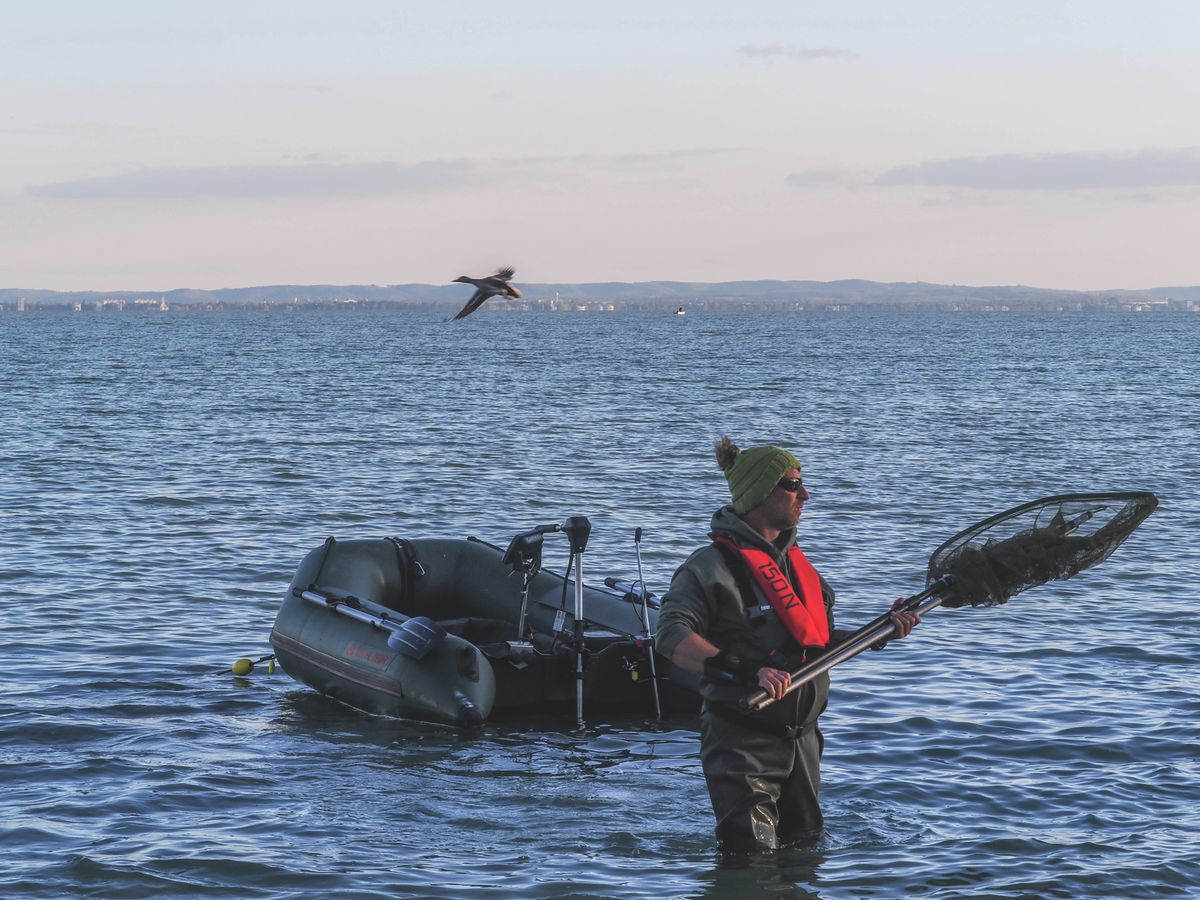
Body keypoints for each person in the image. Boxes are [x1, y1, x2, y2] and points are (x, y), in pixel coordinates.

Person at [655, 436, 921, 853]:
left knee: (807, 852)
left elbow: (817, 640)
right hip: (742, 742)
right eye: (794, 484)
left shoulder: (802, 569)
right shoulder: (708, 569)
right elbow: (670, 637)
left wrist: (879, 631)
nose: (806, 495)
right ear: (762, 491)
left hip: (803, 742)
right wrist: (749, 670)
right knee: (750, 862)